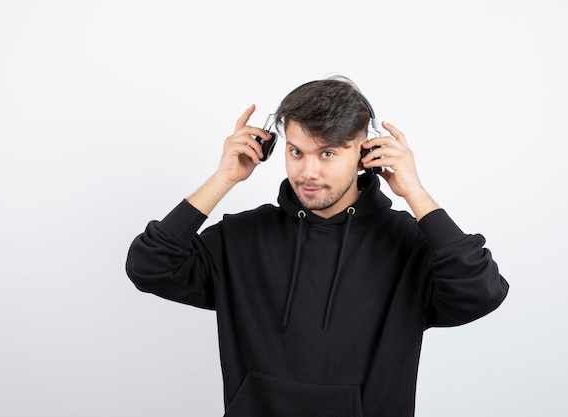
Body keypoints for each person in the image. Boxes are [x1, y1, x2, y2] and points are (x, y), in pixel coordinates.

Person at [125, 76, 509, 417]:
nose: (308, 172)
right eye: (296, 152)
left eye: (327, 153)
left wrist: (415, 193)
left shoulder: (407, 244)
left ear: (363, 154)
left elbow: (481, 291)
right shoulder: (241, 238)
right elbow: (149, 265)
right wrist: (224, 178)